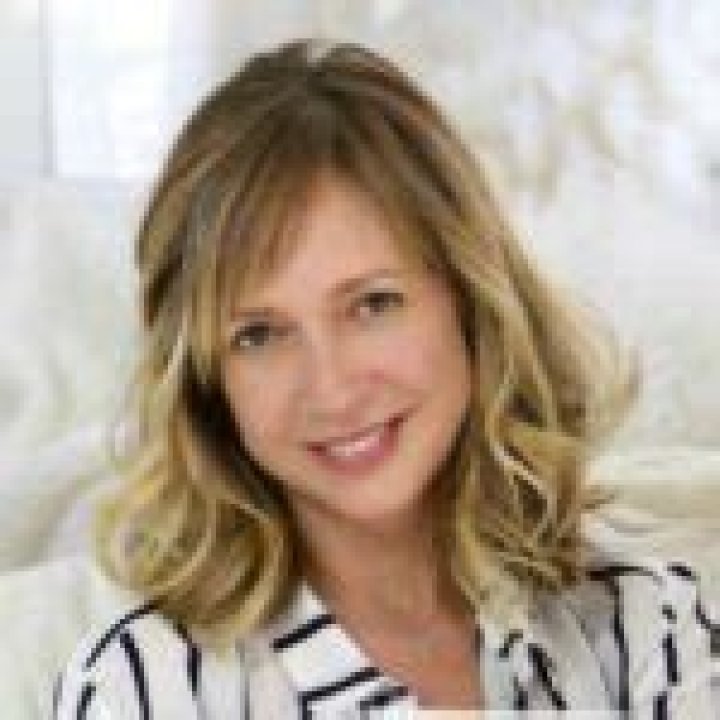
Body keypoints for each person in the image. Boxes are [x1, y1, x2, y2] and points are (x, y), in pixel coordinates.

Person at [53, 38, 718, 718]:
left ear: (469, 300)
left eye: (373, 304)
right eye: (259, 335)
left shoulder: (646, 629)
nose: (332, 389)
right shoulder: (140, 690)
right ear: (208, 381)